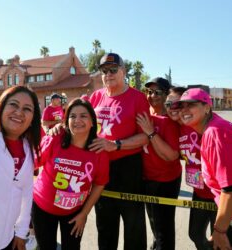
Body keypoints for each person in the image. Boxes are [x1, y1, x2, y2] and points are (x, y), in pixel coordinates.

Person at [88, 52, 149, 250]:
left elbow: (145, 136)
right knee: (105, 225)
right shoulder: (95, 97)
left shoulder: (138, 98)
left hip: (128, 167)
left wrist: (117, 144)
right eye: (104, 71)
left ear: (123, 72)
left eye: (113, 70)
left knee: (133, 226)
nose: (108, 74)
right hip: (101, 167)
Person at [32, 98, 109, 250]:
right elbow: (33, 163)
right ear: (66, 121)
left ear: (93, 122)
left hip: (74, 213)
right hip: (43, 209)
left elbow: (99, 184)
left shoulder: (99, 150)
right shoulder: (55, 138)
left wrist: (84, 214)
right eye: (72, 116)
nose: (77, 120)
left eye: (83, 116)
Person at [179, 88, 232, 250]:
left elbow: (231, 188)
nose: (184, 110)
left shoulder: (215, 132)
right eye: (181, 106)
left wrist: (219, 230)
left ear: (207, 107)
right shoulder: (213, 127)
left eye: (191, 104)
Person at [0, 85, 41, 250]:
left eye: (27, 109)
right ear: (1, 106)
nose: (19, 112)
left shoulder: (27, 147)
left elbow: (26, 192)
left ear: (33, 118)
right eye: (13, 105)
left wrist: (21, 232)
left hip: (6, 240)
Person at [166, 87, 216, 250]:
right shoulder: (179, 128)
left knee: (222, 239)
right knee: (195, 233)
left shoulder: (202, 125)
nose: (173, 109)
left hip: (219, 194)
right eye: (169, 104)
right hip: (200, 192)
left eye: (178, 105)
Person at [136, 78, 182, 250]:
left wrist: (150, 133)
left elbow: (171, 155)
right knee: (154, 221)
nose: (152, 96)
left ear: (166, 95)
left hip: (166, 181)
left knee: (164, 227)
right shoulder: (144, 115)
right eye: (149, 92)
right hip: (147, 179)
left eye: (157, 92)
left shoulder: (168, 121)